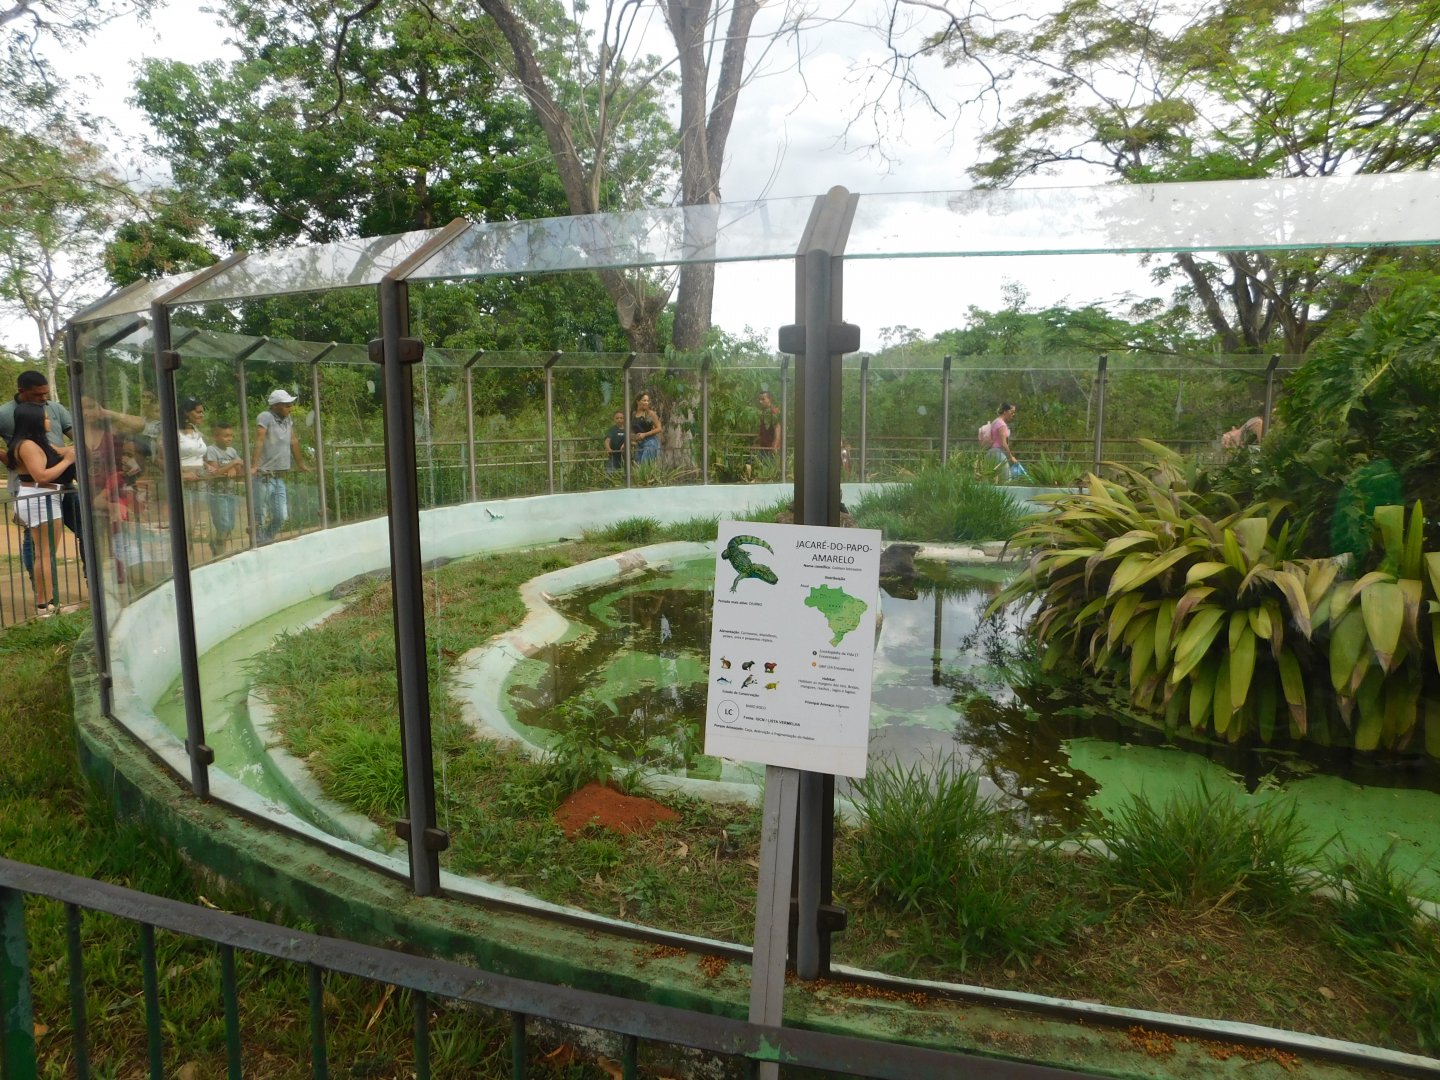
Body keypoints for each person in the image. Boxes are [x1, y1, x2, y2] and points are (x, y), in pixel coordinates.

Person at [0, 371, 79, 581]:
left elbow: (72, 438)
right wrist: (10, 458)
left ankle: (89, 581)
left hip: (62, 484)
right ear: (22, 391)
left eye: (46, 394)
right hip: (33, 487)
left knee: (85, 529)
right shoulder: (5, 414)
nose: (44, 399)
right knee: (38, 546)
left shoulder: (54, 408)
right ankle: (43, 592)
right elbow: (41, 475)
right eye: (38, 394)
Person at [8, 402, 76, 616]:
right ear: (34, 420)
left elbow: (60, 450)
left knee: (44, 554)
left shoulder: (35, 443)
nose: (49, 421)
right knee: (45, 554)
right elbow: (41, 475)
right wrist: (67, 461)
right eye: (46, 417)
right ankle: (46, 605)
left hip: (43, 498)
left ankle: (47, 604)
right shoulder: (28, 445)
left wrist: (71, 451)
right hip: (40, 498)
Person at [251, 388, 308, 545]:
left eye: (290, 404)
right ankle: (258, 543)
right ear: (275, 405)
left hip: (278, 476)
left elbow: (293, 441)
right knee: (260, 515)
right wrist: (254, 466)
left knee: (281, 515)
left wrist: (301, 463)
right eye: (286, 405)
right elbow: (259, 440)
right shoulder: (266, 416)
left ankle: (266, 540)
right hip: (264, 475)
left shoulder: (287, 419)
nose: (290, 408)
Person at [204, 422, 244, 556]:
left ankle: (217, 546)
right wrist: (233, 464)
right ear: (216, 436)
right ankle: (220, 553)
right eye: (226, 436)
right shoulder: (211, 450)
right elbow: (215, 472)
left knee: (230, 525)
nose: (229, 438)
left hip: (230, 491)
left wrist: (234, 468)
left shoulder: (232, 451)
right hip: (217, 493)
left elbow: (240, 467)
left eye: (231, 436)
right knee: (223, 524)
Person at [986, 402, 1019, 476]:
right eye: (1011, 412)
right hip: (998, 453)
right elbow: (1004, 443)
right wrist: (1011, 457)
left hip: (990, 453)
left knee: (993, 478)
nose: (1013, 414)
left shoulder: (995, 422)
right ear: (1005, 412)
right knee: (1006, 478)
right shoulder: (1002, 425)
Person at [630, 391, 662, 465]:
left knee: (645, 466)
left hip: (650, 442)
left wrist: (645, 434)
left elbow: (659, 428)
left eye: (647, 401)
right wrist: (632, 437)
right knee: (638, 466)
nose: (646, 403)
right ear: (638, 401)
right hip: (639, 444)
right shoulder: (633, 414)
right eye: (644, 400)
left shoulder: (650, 413)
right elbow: (630, 430)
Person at [755, 390, 781, 462]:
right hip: (764, 447)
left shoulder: (774, 411)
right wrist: (756, 442)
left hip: (771, 447)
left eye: (763, 399)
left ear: (770, 399)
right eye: (759, 399)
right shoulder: (763, 412)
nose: (760, 401)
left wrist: (775, 444)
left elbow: (777, 427)